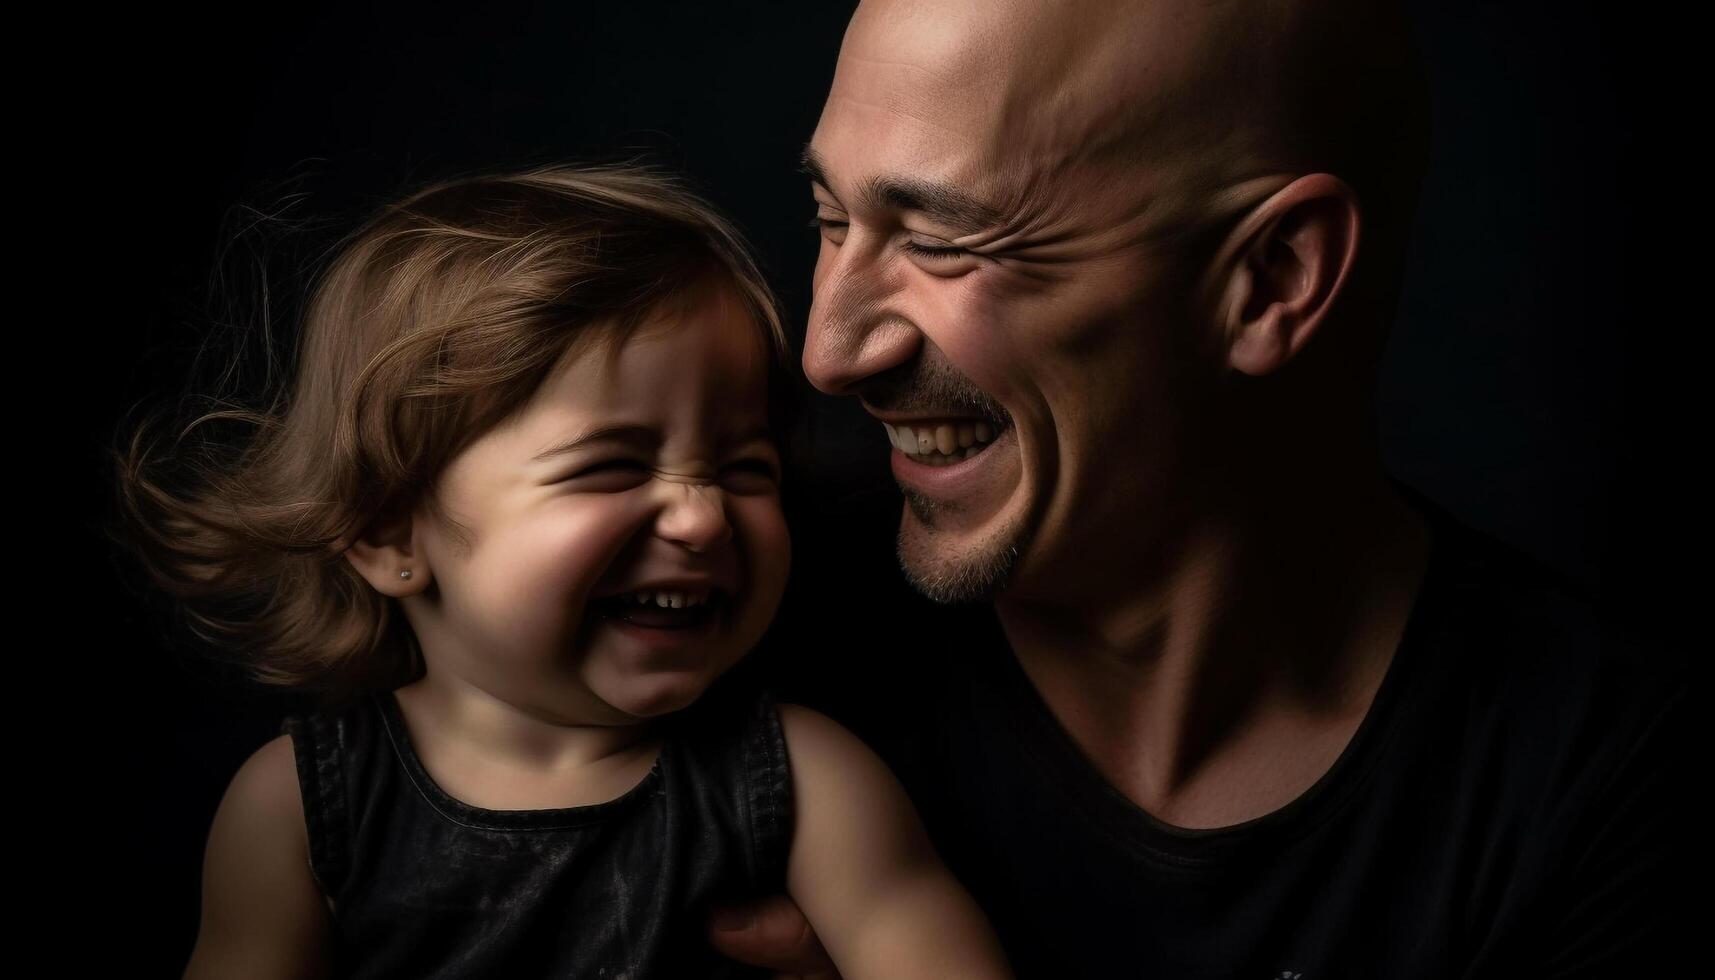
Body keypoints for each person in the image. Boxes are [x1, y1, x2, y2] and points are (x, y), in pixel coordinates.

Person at [707, 1, 1689, 976]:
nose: (828, 351)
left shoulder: (1602, 784)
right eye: (831, 219)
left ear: (1271, 275)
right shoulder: (725, 627)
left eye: (940, 240)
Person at [114, 165, 1013, 979]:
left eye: (747, 470)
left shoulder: (809, 781)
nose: (702, 516)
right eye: (610, 465)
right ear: (391, 533)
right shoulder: (300, 812)